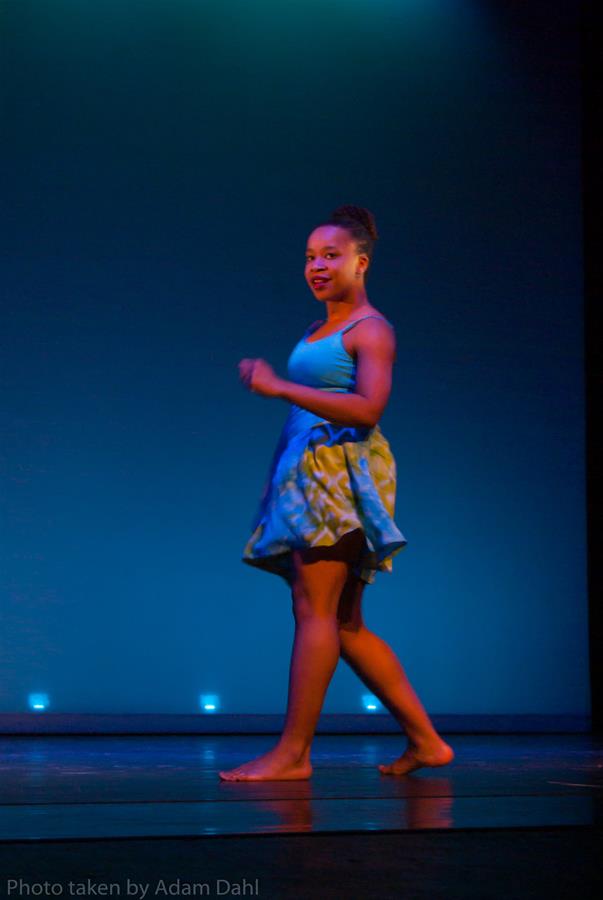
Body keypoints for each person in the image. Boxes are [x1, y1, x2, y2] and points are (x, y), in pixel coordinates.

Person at [218, 205, 454, 782]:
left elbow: (370, 408)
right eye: (310, 257)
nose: (317, 266)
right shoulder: (319, 328)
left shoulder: (370, 328)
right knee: (343, 622)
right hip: (309, 473)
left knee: (315, 611)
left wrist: (279, 387)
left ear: (361, 262)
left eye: (331, 255)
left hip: (336, 475)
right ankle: (427, 743)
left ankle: (294, 754)